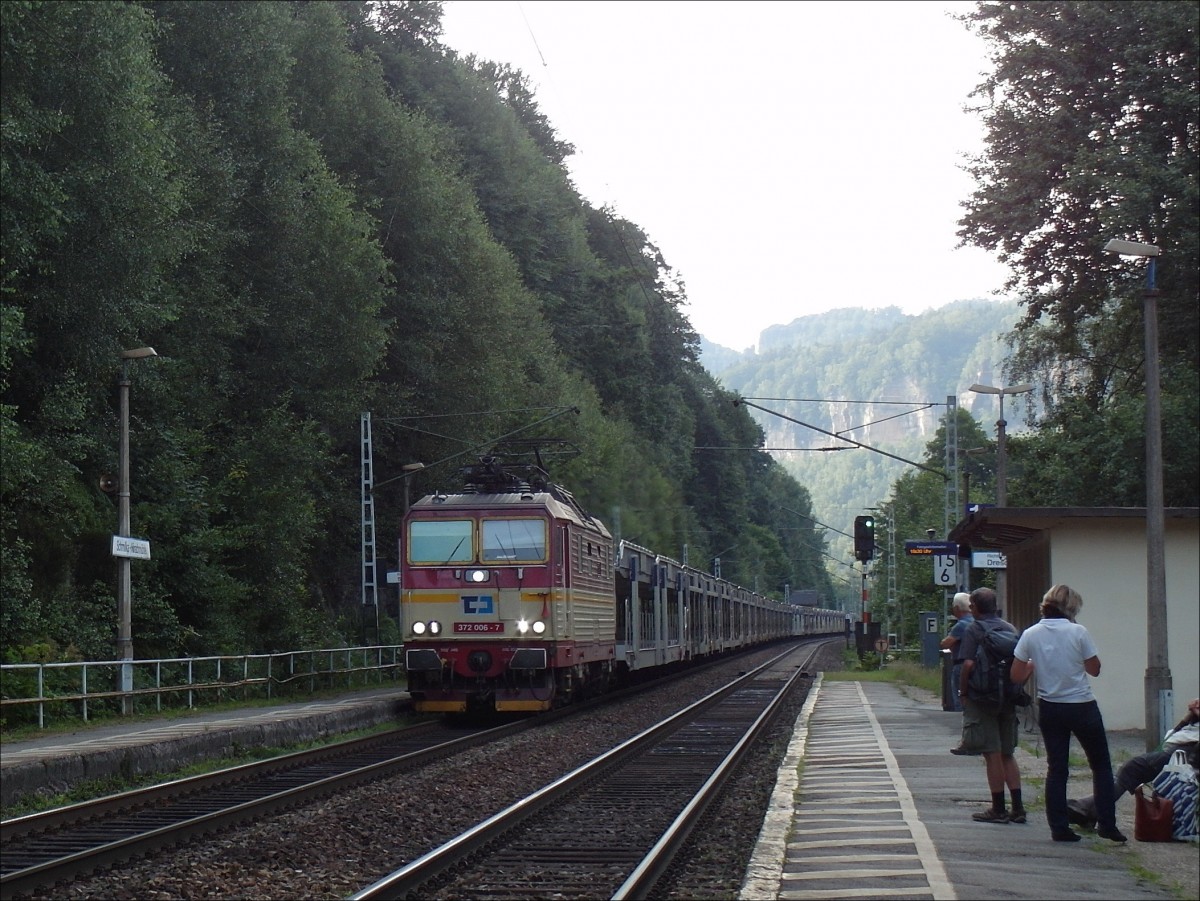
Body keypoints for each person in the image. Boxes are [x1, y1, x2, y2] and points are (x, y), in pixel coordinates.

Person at [1010, 583, 1127, 843]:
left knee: (1057, 768)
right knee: (1101, 766)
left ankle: (1059, 827)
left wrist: (1032, 665)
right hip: (1082, 706)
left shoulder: (1031, 634)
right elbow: (1094, 669)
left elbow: (1016, 675)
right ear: (1071, 607)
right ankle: (1107, 824)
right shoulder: (1079, 632)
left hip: (1050, 708)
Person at [1067, 696, 1200, 828]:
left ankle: (1087, 808)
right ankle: (1088, 809)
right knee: (1132, 769)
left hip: (1190, 750)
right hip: (1185, 745)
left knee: (1133, 768)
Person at [953, 587, 1025, 824]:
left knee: (991, 752)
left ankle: (997, 808)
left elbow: (968, 665)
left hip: (983, 698)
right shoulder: (1009, 628)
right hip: (1007, 697)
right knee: (1007, 753)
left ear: (975, 607)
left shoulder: (975, 629)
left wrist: (963, 693)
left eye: (971, 605)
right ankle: (1018, 808)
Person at [941, 592, 974, 713]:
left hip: (961, 665)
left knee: (960, 700)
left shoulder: (961, 625)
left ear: (957, 608)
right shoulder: (977, 622)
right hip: (977, 665)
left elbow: (945, 643)